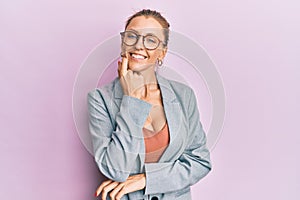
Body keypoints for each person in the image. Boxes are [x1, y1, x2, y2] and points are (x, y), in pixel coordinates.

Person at [87, 9, 211, 200]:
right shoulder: (100, 99)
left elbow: (200, 162)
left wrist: (146, 180)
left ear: (162, 53)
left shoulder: (183, 95)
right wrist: (131, 100)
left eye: (151, 40)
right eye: (132, 36)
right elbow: (115, 170)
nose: (138, 46)